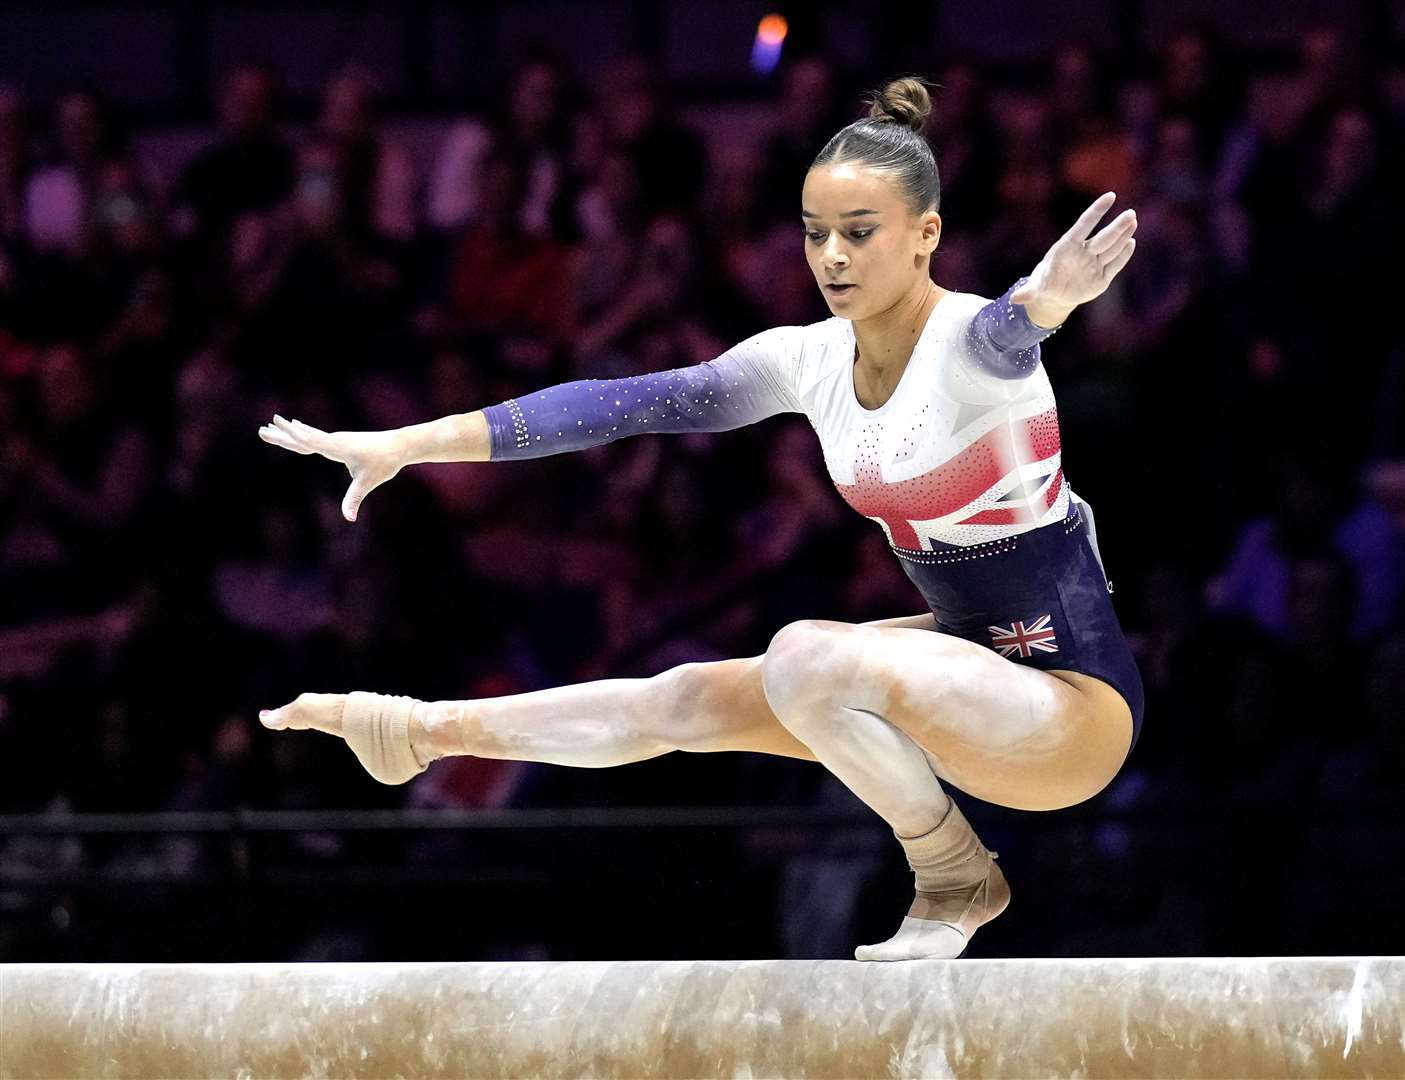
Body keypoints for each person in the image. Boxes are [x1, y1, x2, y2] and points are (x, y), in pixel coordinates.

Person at [256, 77, 1143, 962]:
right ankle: (424, 732)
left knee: (803, 655)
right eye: (814, 233)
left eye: (859, 233)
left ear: (926, 236)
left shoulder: (973, 347)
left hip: (1067, 712)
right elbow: (622, 404)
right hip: (949, 676)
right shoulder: (805, 360)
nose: (832, 256)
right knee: (680, 700)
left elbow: (1012, 329)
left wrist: (1048, 298)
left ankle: (954, 876)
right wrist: (413, 443)